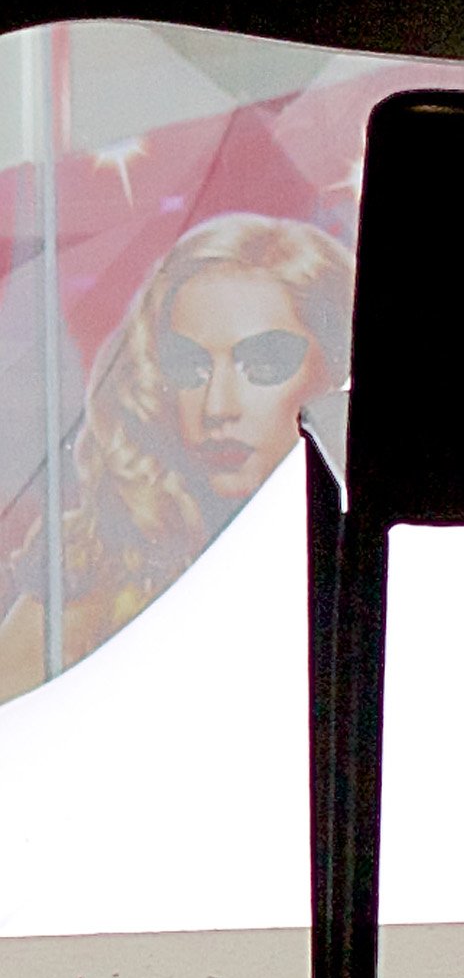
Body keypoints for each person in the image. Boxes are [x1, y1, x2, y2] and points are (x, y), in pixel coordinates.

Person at [0, 212, 354, 699]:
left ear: (338, 369)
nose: (217, 408)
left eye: (265, 363)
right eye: (189, 368)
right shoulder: (99, 562)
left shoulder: (383, 562)